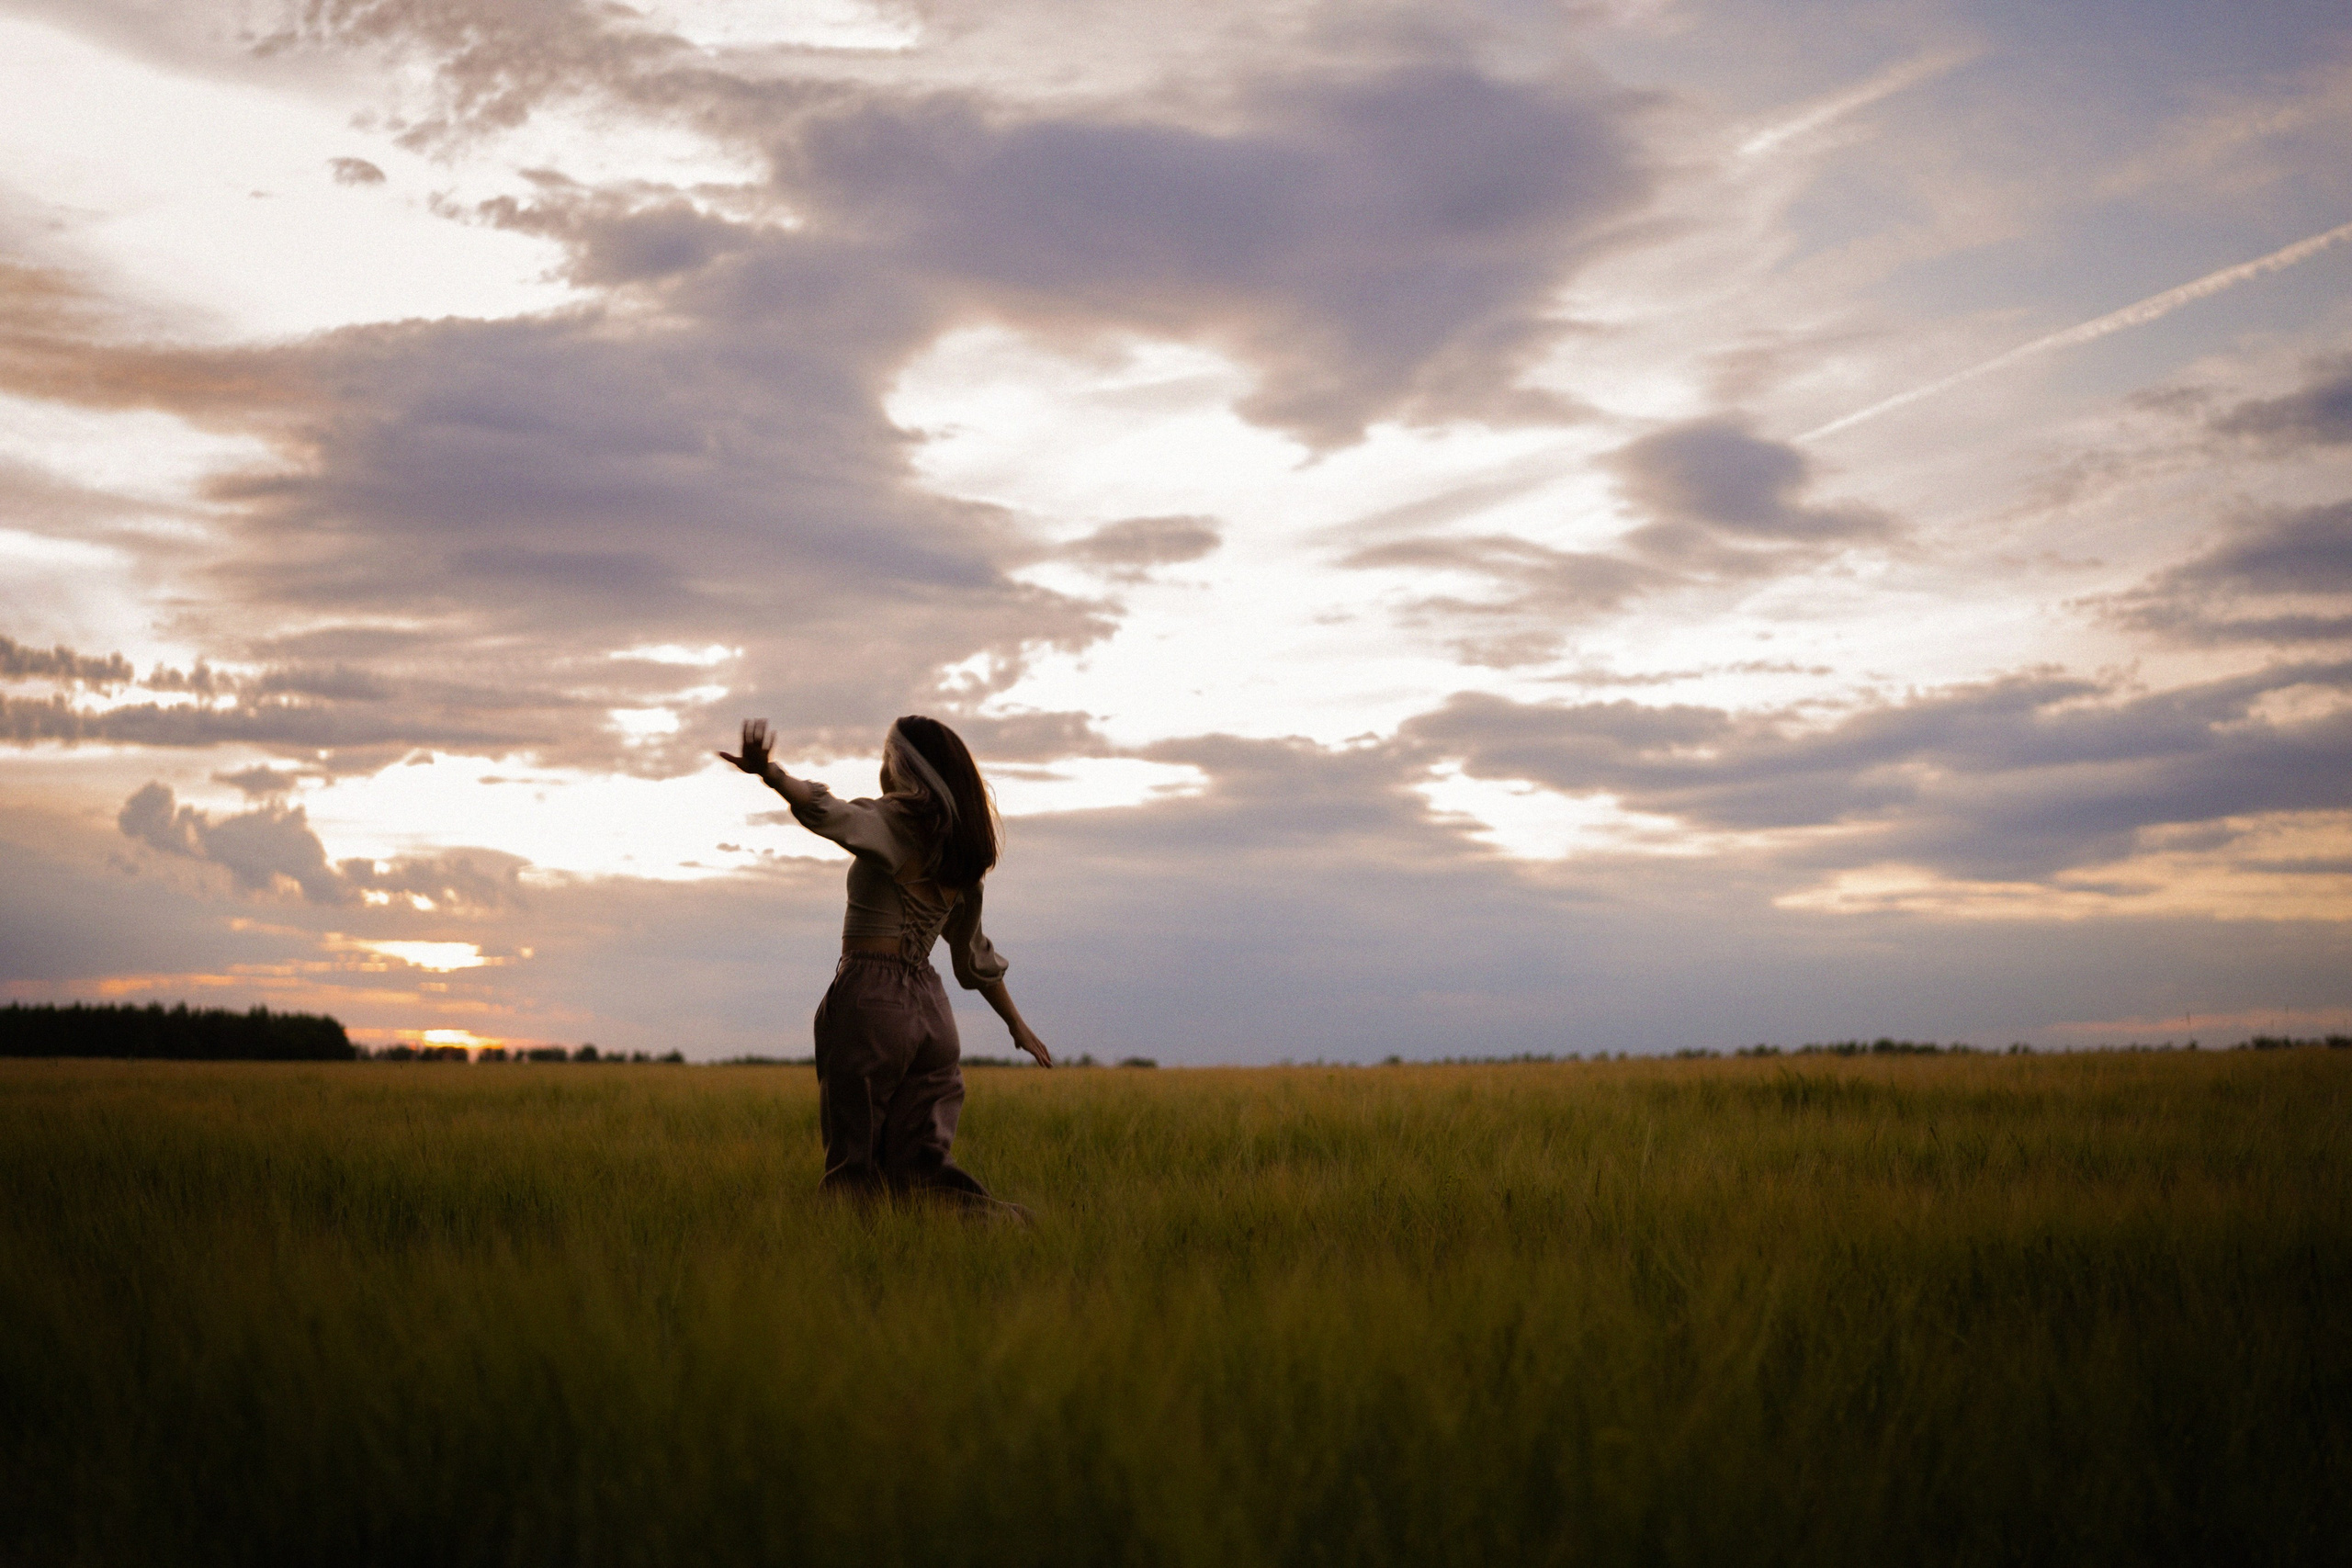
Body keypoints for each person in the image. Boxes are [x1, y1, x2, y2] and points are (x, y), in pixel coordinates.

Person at [720, 715, 1050, 1206]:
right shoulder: (961, 861)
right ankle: (1009, 1231)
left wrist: (771, 775)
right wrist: (1017, 1025)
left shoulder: (888, 823)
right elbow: (974, 957)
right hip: (933, 1014)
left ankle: (852, 1264)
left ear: (903, 767)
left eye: (886, 756)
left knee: (855, 1167)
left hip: (872, 1002)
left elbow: (827, 811)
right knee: (923, 1169)